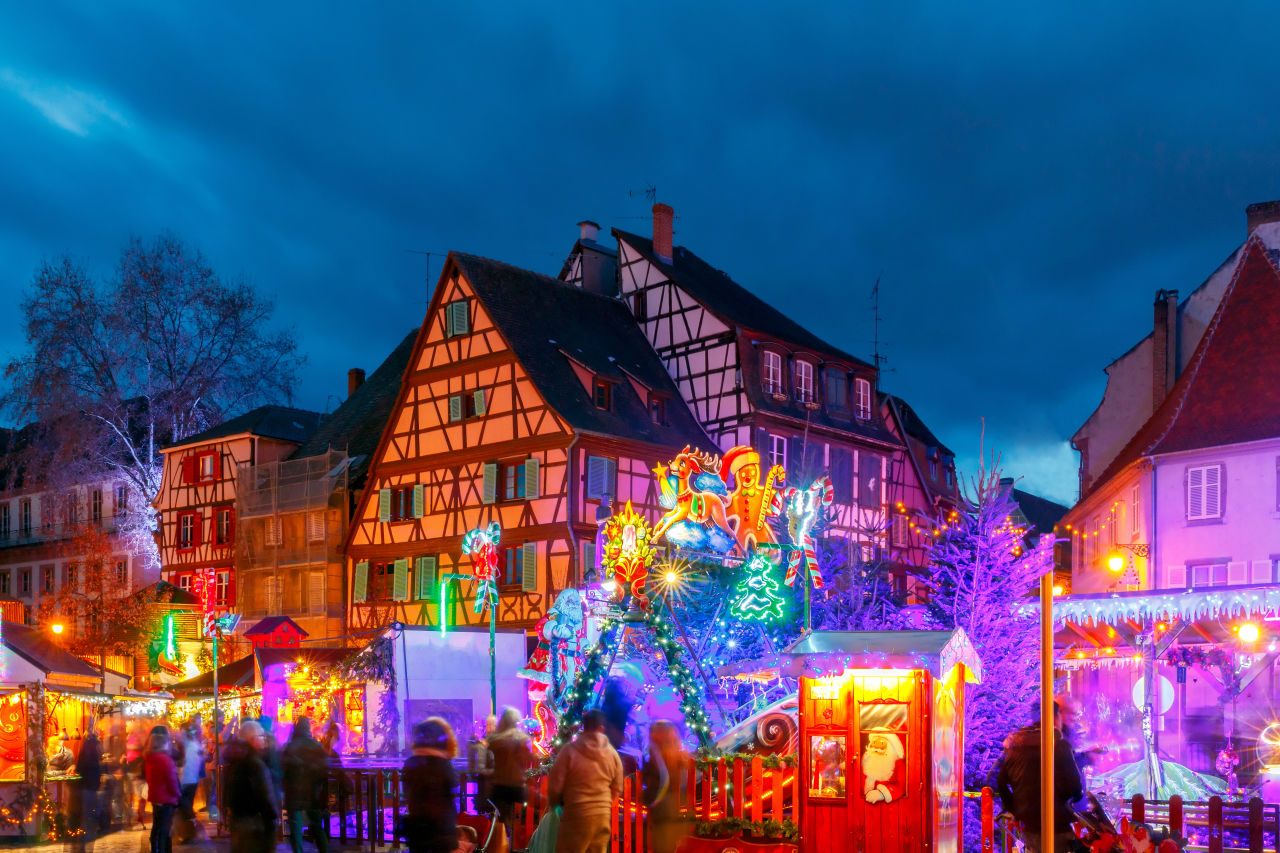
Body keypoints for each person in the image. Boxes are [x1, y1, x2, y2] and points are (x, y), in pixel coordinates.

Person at [996, 702, 1085, 853]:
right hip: (1056, 823)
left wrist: (1014, 808)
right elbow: (1075, 786)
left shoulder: (1017, 746)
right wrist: (1074, 798)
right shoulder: (1059, 745)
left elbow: (1000, 781)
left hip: (1029, 823)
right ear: (1055, 718)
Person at [547, 710, 623, 853]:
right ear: (602, 728)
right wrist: (604, 804)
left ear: (583, 726)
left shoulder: (569, 751)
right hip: (601, 816)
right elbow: (617, 786)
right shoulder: (612, 753)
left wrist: (556, 805)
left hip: (576, 814)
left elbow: (555, 784)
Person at [401, 718, 459, 853]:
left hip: (417, 826)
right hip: (441, 828)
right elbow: (453, 789)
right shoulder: (443, 764)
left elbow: (407, 788)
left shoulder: (411, 762)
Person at [225, 720, 279, 853]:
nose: (263, 740)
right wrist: (273, 816)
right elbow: (265, 795)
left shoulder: (234, 760)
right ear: (253, 739)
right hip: (255, 824)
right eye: (261, 736)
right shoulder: (255, 764)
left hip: (238, 822)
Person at [642, 721, 691, 853]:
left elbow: (651, 783)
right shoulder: (678, 756)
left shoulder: (656, 757)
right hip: (675, 809)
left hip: (662, 811)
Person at [282, 717, 330, 853]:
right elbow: (323, 771)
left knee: (296, 830)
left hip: (294, 793)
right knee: (316, 826)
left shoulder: (290, 746)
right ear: (308, 729)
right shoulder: (316, 746)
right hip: (312, 793)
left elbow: (283, 770)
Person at [488, 708, 532, 836]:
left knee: (498, 823)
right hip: (517, 785)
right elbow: (528, 759)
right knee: (517, 822)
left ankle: (500, 845)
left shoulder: (494, 740)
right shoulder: (523, 739)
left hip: (498, 785)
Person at [144, 726, 181, 853]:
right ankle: (164, 849)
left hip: (155, 797)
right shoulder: (166, 760)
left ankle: (155, 848)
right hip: (167, 798)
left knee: (157, 825)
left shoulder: (149, 758)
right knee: (166, 827)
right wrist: (177, 795)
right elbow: (172, 781)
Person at [72, 729, 103, 853]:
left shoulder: (85, 755)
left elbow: (80, 769)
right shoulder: (93, 758)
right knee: (88, 822)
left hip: (84, 791)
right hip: (89, 792)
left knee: (84, 822)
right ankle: (84, 848)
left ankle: (82, 848)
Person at [176, 719, 207, 842]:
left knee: (185, 807)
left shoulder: (190, 746)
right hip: (192, 780)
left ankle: (192, 831)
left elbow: (186, 765)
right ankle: (188, 833)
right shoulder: (195, 745)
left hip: (186, 780)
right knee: (186, 806)